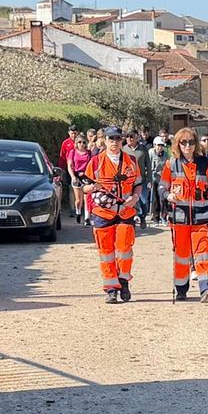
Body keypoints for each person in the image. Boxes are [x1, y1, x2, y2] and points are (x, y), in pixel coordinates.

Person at [162, 128, 208, 302]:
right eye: (184, 142)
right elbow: (162, 187)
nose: (187, 146)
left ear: (195, 144)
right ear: (178, 145)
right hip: (179, 219)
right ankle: (181, 288)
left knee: (203, 252)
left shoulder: (204, 164)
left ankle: (206, 288)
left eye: (191, 142)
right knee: (181, 255)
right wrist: (168, 196)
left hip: (203, 217)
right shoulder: (171, 164)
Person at [83, 126, 141, 304]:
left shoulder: (131, 161)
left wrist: (136, 196)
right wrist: (93, 188)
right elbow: (84, 187)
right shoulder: (96, 162)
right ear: (105, 141)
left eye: (117, 139)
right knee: (106, 252)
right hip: (102, 213)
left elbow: (138, 183)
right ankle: (110, 289)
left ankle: (123, 282)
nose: (114, 142)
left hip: (125, 212)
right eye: (111, 139)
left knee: (124, 250)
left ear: (122, 140)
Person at [125, 132, 152, 228]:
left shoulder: (143, 149)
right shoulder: (124, 149)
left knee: (143, 200)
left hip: (142, 180)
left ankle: (143, 217)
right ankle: (132, 218)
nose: (129, 138)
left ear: (137, 138)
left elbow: (148, 165)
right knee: (130, 201)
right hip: (128, 181)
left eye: (131, 136)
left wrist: (150, 180)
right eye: (127, 136)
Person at [68, 134, 95, 221]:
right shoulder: (73, 152)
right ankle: (78, 212)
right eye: (79, 142)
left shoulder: (88, 153)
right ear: (76, 143)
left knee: (86, 198)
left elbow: (91, 165)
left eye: (83, 142)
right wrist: (72, 176)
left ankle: (87, 217)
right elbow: (70, 165)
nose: (81, 144)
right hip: (76, 176)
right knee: (78, 200)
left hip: (86, 176)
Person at [146, 136, 169, 226]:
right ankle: (156, 218)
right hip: (154, 179)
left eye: (162, 145)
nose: (160, 147)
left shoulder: (165, 154)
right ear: (154, 145)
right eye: (159, 145)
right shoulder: (151, 152)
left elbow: (167, 165)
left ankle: (163, 217)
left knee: (163, 199)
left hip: (162, 179)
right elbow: (148, 165)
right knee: (155, 199)